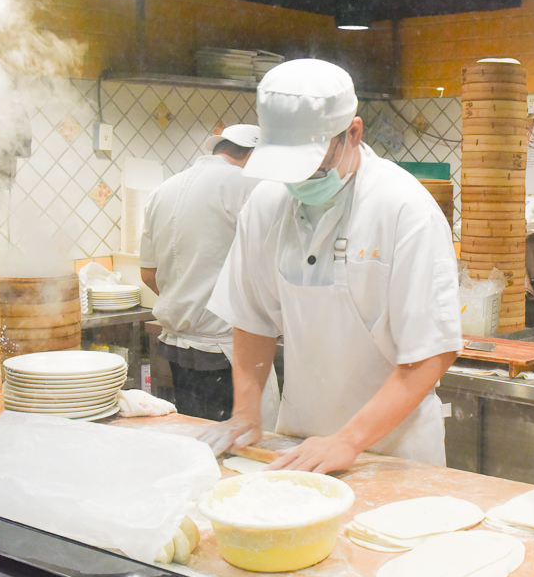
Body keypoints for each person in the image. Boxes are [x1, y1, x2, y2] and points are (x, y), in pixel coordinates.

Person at [204, 58, 462, 471]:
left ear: (353, 133)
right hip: (300, 442)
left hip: (395, 454)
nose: (299, 184)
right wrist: (245, 414)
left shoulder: (404, 210)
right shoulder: (267, 204)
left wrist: (349, 440)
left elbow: (431, 352)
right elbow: (252, 321)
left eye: (310, 167)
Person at [139, 124, 277, 423]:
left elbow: (148, 273)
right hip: (228, 352)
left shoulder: (163, 190)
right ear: (254, 155)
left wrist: (189, 301)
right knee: (241, 451)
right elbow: (274, 263)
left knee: (199, 438)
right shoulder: (248, 184)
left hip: (177, 349)